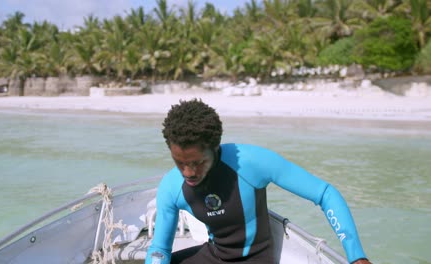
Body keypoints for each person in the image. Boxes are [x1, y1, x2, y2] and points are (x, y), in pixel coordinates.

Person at [145, 99, 371, 264]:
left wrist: (356, 256)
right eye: (179, 162)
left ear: (216, 147)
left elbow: (325, 194)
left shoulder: (251, 163)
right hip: (215, 256)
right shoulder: (171, 187)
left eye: (197, 163)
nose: (188, 172)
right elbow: (160, 249)